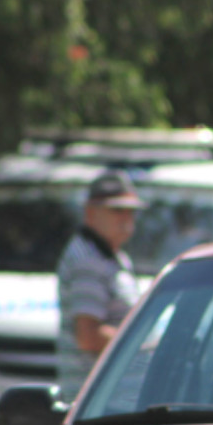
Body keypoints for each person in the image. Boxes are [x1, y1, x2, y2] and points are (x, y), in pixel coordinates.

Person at [56, 170, 146, 400]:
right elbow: (88, 336)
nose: (126, 217)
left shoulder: (111, 256)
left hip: (111, 398)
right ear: (90, 214)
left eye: (131, 210)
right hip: (95, 401)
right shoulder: (88, 259)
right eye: (117, 209)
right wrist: (143, 343)